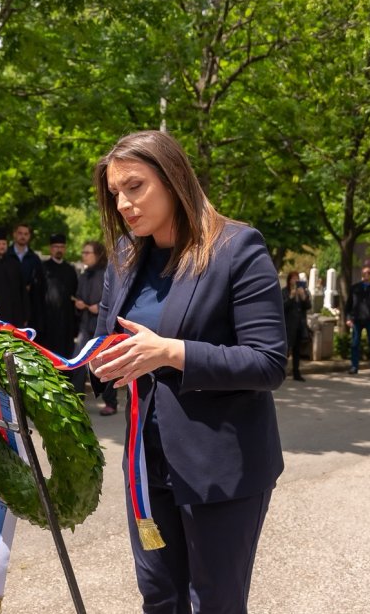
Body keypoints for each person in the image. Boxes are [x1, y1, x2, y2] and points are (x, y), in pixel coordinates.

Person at [89, 130, 285, 613]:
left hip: (220, 469)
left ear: (174, 178)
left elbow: (268, 361)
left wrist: (173, 352)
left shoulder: (237, 248)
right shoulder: (124, 257)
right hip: (146, 468)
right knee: (159, 597)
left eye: (135, 187)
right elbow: (100, 346)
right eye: (115, 194)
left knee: (213, 603)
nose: (124, 205)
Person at [72, 240, 109, 409]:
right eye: (83, 253)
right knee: (78, 361)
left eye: (88, 253)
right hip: (85, 324)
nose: (84, 256)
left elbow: (112, 300)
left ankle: (110, 402)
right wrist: (79, 304)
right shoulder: (83, 275)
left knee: (106, 362)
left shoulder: (107, 274)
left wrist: (100, 307)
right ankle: (77, 399)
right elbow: (79, 295)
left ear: (98, 255)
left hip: (102, 326)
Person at [37, 233, 79, 357]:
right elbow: (37, 295)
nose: (59, 249)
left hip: (66, 320)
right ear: (51, 249)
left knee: (66, 354)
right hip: (47, 320)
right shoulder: (42, 268)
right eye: (56, 246)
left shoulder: (70, 269)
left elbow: (75, 293)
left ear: (65, 249)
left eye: (61, 247)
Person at [345, 265, 370, 376]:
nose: (366, 275)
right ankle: (354, 366)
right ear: (361, 275)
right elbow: (348, 305)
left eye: (369, 273)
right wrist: (348, 318)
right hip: (357, 320)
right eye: (364, 273)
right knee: (355, 344)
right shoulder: (355, 288)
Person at [6, 222, 44, 328]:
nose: (23, 236)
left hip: (29, 305)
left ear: (29, 236)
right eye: (20, 233)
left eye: (26, 234)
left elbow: (40, 282)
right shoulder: (6, 256)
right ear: (14, 234)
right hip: (8, 305)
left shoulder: (34, 259)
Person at [283, 274, 312, 381]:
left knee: (297, 350)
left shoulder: (302, 291)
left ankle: (296, 372)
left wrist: (303, 296)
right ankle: (280, 370)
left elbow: (308, 306)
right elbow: (282, 306)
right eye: (293, 278)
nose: (295, 280)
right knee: (286, 350)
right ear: (289, 280)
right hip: (288, 325)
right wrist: (291, 297)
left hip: (300, 325)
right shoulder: (285, 291)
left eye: (297, 278)